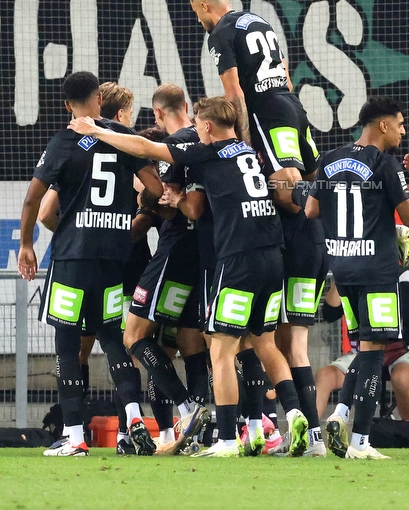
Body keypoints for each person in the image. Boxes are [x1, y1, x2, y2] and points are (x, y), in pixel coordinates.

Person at [68, 97, 311, 459]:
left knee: (222, 349)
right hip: (272, 257)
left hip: (238, 259)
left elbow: (147, 148)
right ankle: (293, 415)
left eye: (199, 125)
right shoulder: (250, 152)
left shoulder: (206, 152)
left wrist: (97, 130)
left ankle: (226, 438)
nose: (196, 131)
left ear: (208, 127)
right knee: (264, 343)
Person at [190, 0, 328, 455]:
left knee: (288, 188)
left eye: (198, 13)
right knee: (282, 342)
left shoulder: (220, 31)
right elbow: (285, 73)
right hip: (293, 107)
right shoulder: (262, 22)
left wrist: (244, 142)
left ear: (207, 6)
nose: (200, 21)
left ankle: (249, 430)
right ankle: (304, 434)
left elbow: (234, 90)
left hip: (267, 117)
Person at [18, 71, 164, 457]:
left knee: (67, 345)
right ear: (100, 99)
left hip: (72, 258)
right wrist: (136, 215)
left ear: (68, 105)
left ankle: (74, 436)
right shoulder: (122, 141)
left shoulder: (65, 142)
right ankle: (133, 416)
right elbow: (155, 189)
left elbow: (34, 200)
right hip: (114, 258)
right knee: (113, 339)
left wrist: (26, 244)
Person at [305, 96, 409, 459]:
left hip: (342, 270)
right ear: (383, 125)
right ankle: (359, 442)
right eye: (400, 124)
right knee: (374, 352)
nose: (403, 131)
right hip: (377, 270)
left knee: (362, 348)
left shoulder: (327, 159)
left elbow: (310, 209)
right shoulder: (386, 165)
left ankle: (340, 413)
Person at [123, 83, 212, 457]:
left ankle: (188, 408)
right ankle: (203, 428)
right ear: (188, 107)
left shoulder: (174, 148)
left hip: (174, 253)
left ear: (158, 114)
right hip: (204, 256)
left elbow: (168, 201)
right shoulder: (206, 142)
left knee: (134, 336)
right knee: (192, 341)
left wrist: (148, 193)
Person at [316, 267, 409, 423]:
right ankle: (308, 435)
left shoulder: (404, 274)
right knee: (325, 375)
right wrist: (342, 275)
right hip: (363, 351)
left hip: (404, 350)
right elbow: (329, 313)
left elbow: (405, 310)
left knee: (401, 378)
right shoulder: (352, 274)